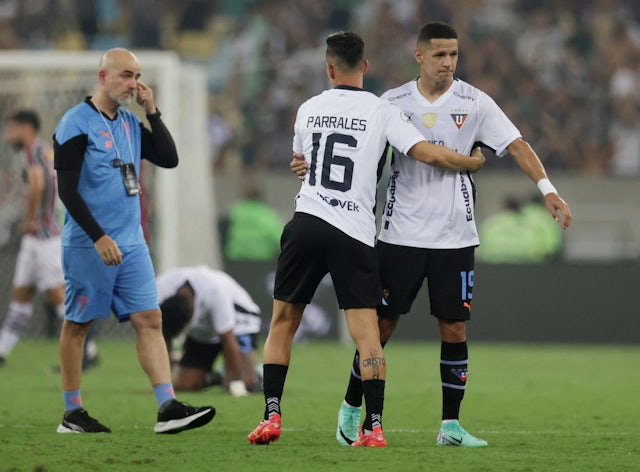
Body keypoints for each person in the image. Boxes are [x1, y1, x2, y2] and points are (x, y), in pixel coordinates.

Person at [293, 22, 572, 448]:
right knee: (380, 327)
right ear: (419, 56)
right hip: (400, 234)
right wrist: (308, 167)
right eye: (440, 55)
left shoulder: (475, 102)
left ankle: (451, 427)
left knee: (454, 329)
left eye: (454, 55)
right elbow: (349, 149)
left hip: (455, 236)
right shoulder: (391, 103)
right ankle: (352, 408)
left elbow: (516, 144)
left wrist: (547, 190)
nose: (448, 63)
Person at [247, 31, 485, 447]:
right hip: (353, 232)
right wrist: (471, 162)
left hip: (307, 222)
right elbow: (426, 153)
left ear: (329, 67)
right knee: (368, 335)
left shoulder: (308, 108)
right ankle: (373, 426)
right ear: (366, 67)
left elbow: (302, 162)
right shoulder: (381, 110)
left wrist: (305, 167)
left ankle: (271, 417)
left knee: (283, 322)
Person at [52, 48, 215, 434]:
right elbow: (67, 192)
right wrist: (98, 236)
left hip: (132, 243)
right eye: (126, 75)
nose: (134, 83)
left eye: (137, 76)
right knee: (79, 324)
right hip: (89, 244)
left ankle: (167, 407)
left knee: (150, 318)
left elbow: (169, 158)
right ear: (103, 76)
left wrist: (152, 112)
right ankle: (72, 413)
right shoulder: (74, 124)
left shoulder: (128, 122)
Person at [0, 110, 97, 369]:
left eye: (11, 129)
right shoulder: (47, 150)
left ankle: (87, 349)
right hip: (41, 238)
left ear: (26, 128)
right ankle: (2, 350)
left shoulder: (33, 151)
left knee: (56, 295)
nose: (8, 135)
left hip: (44, 237)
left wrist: (29, 218)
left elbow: (37, 184)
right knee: (21, 293)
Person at [156, 265, 262, 396]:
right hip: (204, 332)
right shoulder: (161, 289)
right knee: (184, 385)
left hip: (239, 323)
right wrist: (163, 381)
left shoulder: (213, 291)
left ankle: (256, 374)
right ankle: (220, 376)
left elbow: (228, 338)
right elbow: (163, 334)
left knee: (244, 383)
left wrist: (236, 384)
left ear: (192, 311)